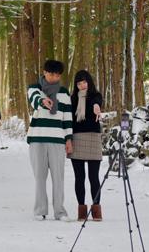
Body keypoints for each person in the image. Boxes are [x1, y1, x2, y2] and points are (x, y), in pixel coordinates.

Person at [26, 59, 73, 221]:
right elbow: (34, 99)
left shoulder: (64, 93)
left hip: (57, 140)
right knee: (39, 177)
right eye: (52, 74)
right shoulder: (35, 88)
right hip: (37, 138)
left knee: (58, 177)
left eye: (58, 75)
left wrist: (69, 139)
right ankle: (40, 210)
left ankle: (60, 211)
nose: (54, 78)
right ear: (45, 72)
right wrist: (43, 101)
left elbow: (67, 118)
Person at [69, 70, 104, 222]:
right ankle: (81, 210)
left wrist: (96, 106)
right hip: (76, 138)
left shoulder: (95, 96)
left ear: (89, 82)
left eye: (84, 82)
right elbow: (68, 120)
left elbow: (97, 102)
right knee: (79, 177)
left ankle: (96, 210)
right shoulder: (72, 99)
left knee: (93, 176)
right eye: (79, 83)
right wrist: (67, 139)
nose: (82, 85)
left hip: (93, 138)